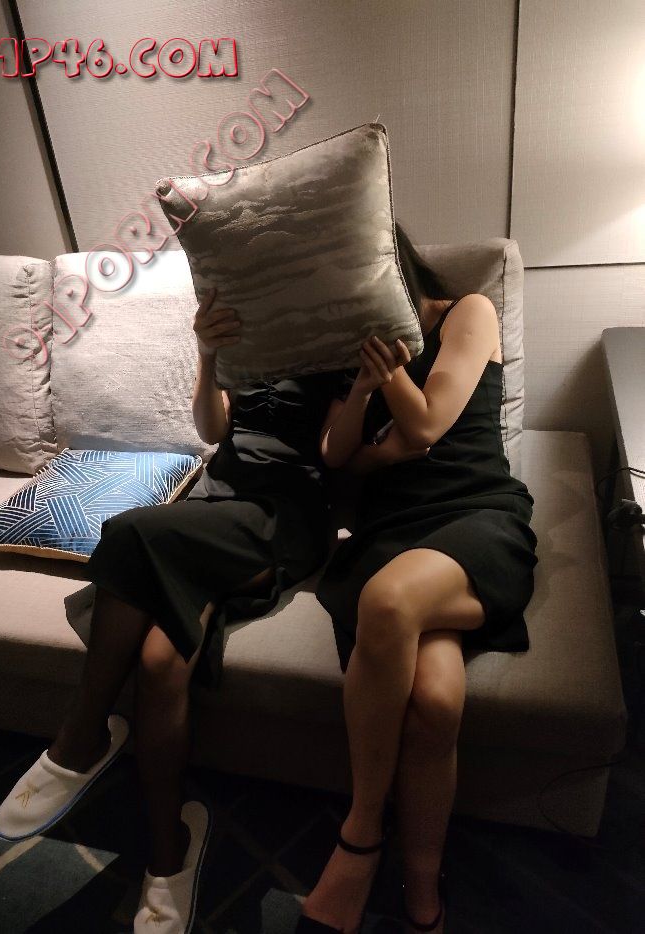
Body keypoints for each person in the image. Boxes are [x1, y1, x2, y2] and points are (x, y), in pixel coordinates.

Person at [0, 284, 346, 934]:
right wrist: (208, 351)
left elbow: (335, 457)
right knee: (160, 661)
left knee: (129, 531)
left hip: (284, 515)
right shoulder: (250, 322)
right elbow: (213, 431)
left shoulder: (338, 330)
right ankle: (168, 851)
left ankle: (82, 736)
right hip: (214, 504)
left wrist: (365, 383)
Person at [296, 223, 539, 934]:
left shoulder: (469, 311)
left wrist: (392, 379)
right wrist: (365, 387)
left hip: (475, 514)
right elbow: (338, 454)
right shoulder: (350, 349)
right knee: (434, 700)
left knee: (389, 599)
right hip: (391, 532)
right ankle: (423, 887)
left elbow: (429, 426)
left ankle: (361, 835)